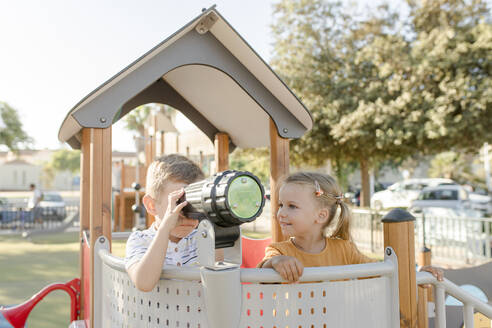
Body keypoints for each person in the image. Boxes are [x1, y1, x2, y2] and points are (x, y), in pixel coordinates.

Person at [258, 172, 443, 283]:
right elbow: (265, 269)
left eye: (292, 206)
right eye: (281, 205)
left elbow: (384, 272)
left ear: (320, 215)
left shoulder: (345, 250)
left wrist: (416, 274)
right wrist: (276, 263)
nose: (280, 212)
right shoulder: (279, 251)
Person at [125, 154, 204, 292]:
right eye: (178, 203)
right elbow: (144, 283)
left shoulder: (202, 238)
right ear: (151, 205)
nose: (186, 213)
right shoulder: (140, 240)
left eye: (194, 203)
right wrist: (165, 228)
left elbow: (219, 277)